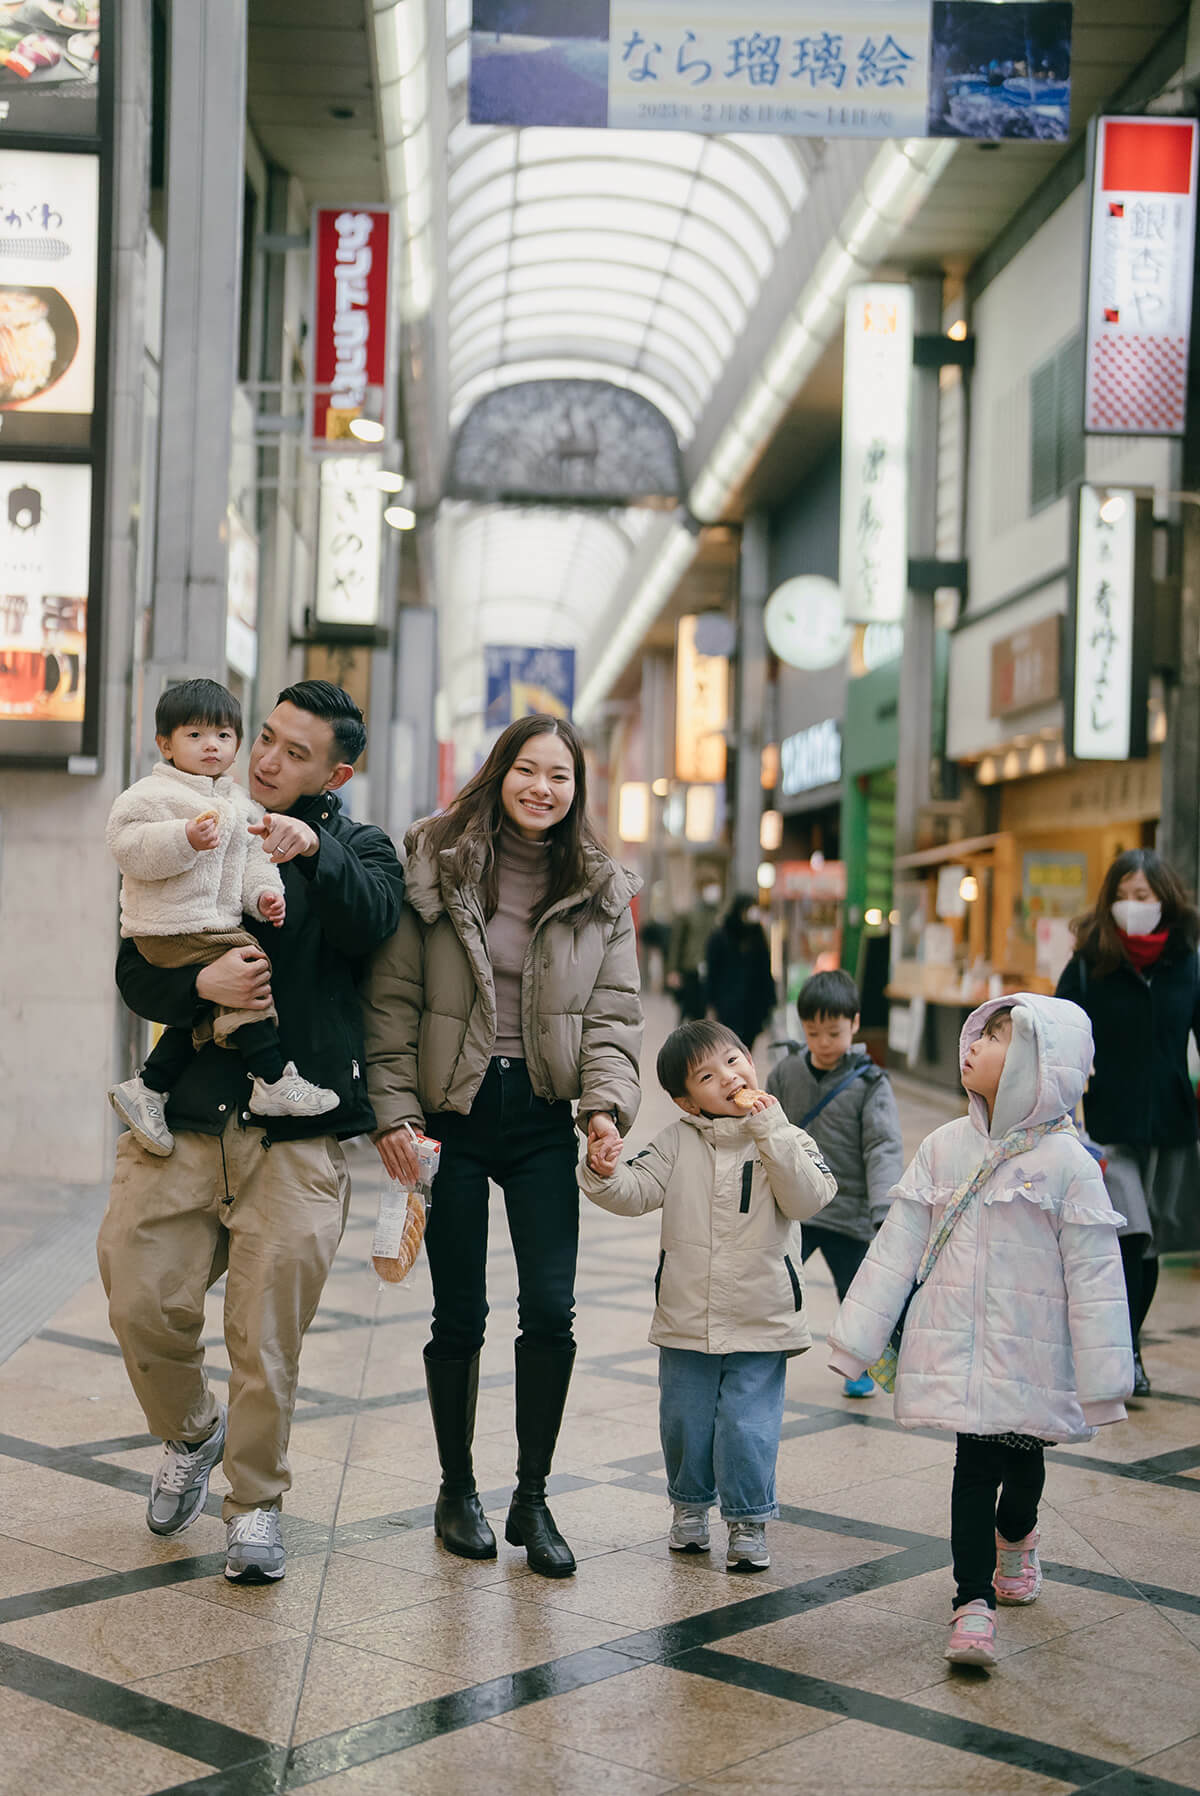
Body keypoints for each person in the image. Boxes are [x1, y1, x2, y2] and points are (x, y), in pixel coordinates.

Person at [97, 681, 405, 1585]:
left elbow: (374, 918)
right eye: (263, 738)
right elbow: (136, 964)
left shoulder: (358, 846)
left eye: (293, 753)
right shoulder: (196, 817)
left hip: (297, 1134)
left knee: (266, 1338)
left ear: (335, 772)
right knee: (136, 1295)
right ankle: (193, 1433)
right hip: (188, 1114)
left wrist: (310, 851)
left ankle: (256, 1504)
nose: (265, 761)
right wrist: (203, 989)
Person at [364, 714, 643, 1579]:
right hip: (450, 1118)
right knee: (460, 1313)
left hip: (537, 1120)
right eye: (529, 771)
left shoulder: (600, 889)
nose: (543, 790)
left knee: (551, 1309)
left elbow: (613, 1017)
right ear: (500, 772)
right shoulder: (437, 861)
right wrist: (394, 1112)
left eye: (560, 777)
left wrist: (605, 1110)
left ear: (577, 790)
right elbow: (395, 1000)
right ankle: (457, 1490)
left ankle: (533, 1496)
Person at [829, 995, 1133, 1669]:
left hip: (1033, 1358)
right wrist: (856, 1338)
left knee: (1022, 1469)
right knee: (973, 1471)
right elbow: (897, 1246)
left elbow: (1095, 1277)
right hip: (966, 1355)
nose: (972, 1046)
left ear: (1039, 1063)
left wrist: (1105, 1382)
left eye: (995, 1039)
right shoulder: (944, 1148)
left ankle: (1017, 1537)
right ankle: (973, 1605)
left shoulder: (1069, 1166)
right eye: (977, 1035)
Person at [579, 1019, 835, 1571]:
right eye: (707, 1074)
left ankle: (748, 1519)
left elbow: (809, 1197)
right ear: (686, 1101)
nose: (729, 1077)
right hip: (688, 1314)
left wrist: (770, 1130)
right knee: (685, 1419)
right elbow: (636, 1191)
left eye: (735, 1060)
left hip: (762, 1313)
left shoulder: (786, 1136)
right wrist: (602, 1173)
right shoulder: (675, 1142)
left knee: (749, 1423)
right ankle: (690, 1508)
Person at [105, 679, 339, 1155]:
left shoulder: (240, 805)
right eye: (195, 736)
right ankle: (271, 1079)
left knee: (225, 996)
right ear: (165, 744)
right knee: (249, 968)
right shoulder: (151, 795)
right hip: (165, 927)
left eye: (224, 735)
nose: (211, 745)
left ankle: (149, 1085)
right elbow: (128, 846)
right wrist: (183, 838)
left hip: (211, 924)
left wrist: (265, 898)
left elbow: (254, 863)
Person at [1056, 848, 1200, 1396]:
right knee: (1130, 1234)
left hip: (1171, 1124)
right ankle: (1127, 1358)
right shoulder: (1091, 963)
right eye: (1122, 895)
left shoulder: (1187, 961)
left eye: (1142, 896)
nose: (1131, 906)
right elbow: (1057, 1035)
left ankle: (1130, 1345)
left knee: (1151, 1243)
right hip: (1108, 1124)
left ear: (1165, 900)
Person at [767, 969, 904, 1399]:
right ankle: (760, 1354)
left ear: (855, 1024)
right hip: (796, 1209)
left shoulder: (870, 1083)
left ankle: (859, 1368)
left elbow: (882, 1147)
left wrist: (884, 1210)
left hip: (850, 1213)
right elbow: (765, 1131)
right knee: (772, 1284)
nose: (824, 1042)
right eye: (813, 1032)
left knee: (857, 1299)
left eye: (834, 1032)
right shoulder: (786, 1072)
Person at [706, 892, 777, 1053]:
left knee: (747, 1044)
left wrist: (770, 1000)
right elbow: (712, 972)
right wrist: (710, 1001)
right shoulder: (720, 936)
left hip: (753, 1003)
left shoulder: (757, 935)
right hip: (728, 1002)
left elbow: (765, 969)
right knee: (729, 1044)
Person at [666, 881, 721, 1021]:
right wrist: (673, 970)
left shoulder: (719, 914)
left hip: (712, 969)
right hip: (691, 968)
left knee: (707, 1011)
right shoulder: (689, 914)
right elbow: (677, 944)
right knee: (689, 1010)